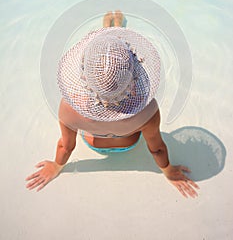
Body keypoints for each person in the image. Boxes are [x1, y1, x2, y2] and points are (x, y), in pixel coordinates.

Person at [26, 10, 199, 198]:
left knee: (103, 60)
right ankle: (116, 36)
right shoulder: (147, 110)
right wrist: (168, 171)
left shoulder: (70, 108)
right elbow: (157, 148)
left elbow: (66, 146)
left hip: (94, 145)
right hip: (129, 144)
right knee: (115, 62)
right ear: (136, 78)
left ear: (83, 76)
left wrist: (56, 166)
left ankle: (106, 38)